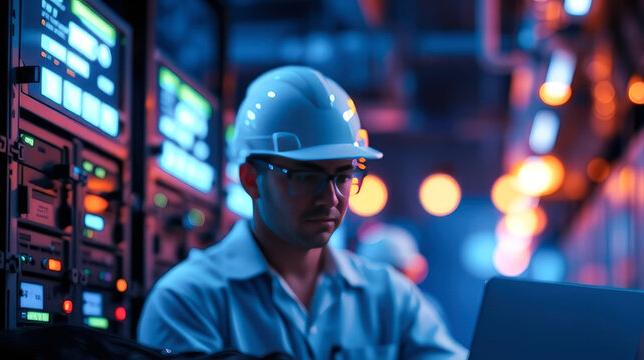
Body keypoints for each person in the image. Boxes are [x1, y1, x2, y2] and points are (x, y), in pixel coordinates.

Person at [137, 66, 467, 359]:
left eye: (343, 177)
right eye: (306, 177)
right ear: (251, 180)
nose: (331, 197)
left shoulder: (391, 297)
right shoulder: (187, 302)